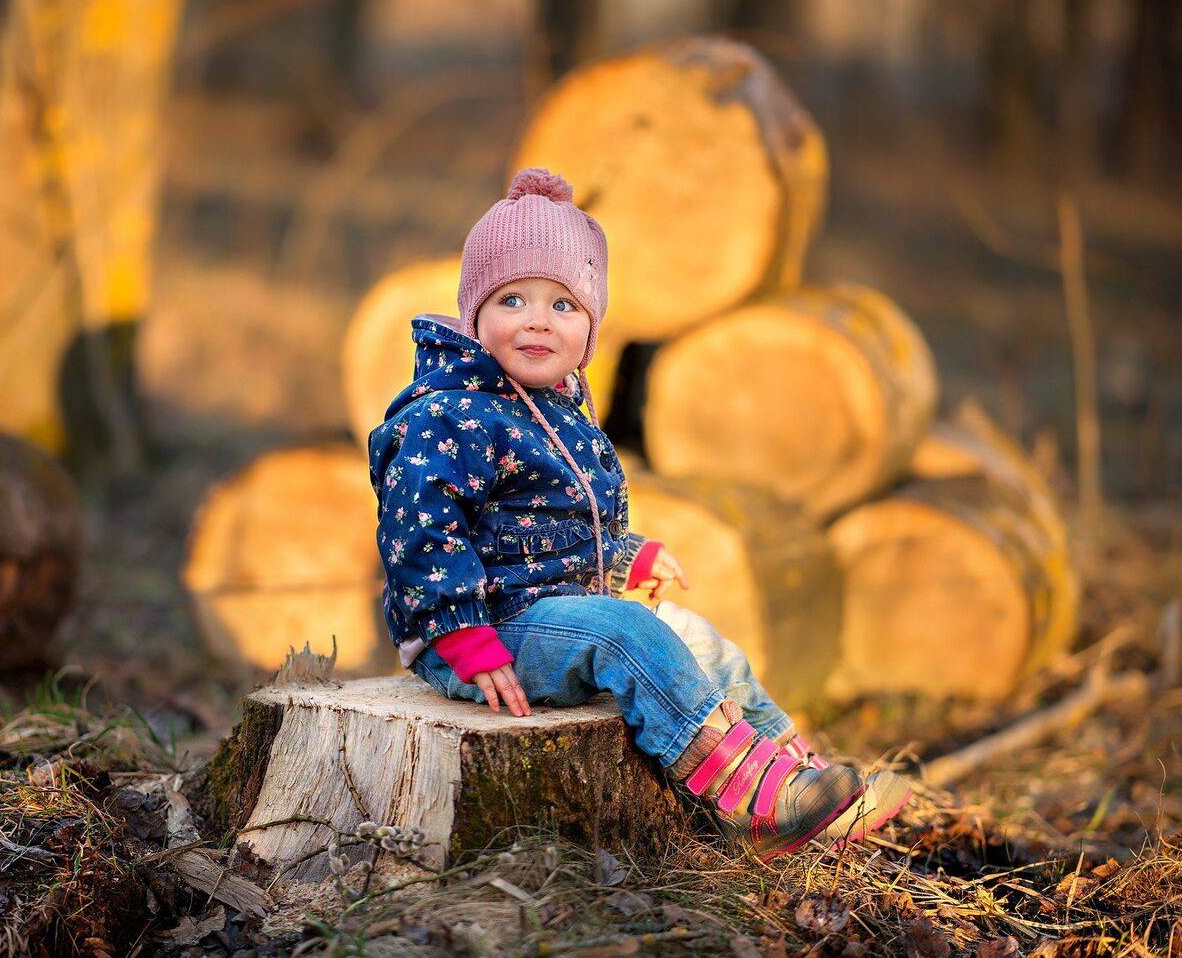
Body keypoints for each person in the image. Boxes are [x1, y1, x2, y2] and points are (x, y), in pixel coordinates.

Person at [366, 167, 910, 857]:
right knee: (626, 635)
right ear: (475, 313)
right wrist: (458, 635)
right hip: (484, 633)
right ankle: (753, 801)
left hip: (554, 610)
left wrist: (622, 557)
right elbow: (419, 528)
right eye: (512, 299)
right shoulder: (450, 412)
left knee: (707, 642)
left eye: (563, 305)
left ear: (591, 324)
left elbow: (552, 525)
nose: (538, 318)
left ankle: (799, 779)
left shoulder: (555, 404)